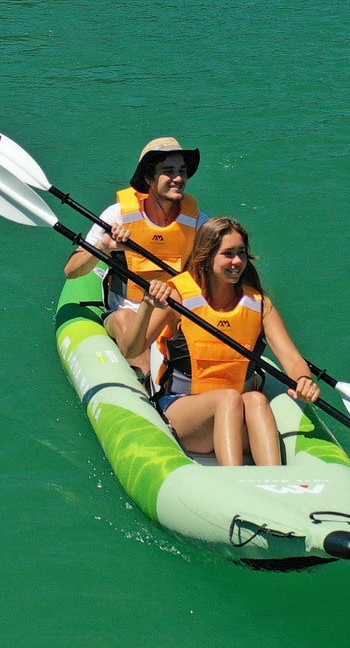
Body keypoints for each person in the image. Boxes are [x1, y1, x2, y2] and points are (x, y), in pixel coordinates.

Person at [121, 216, 322, 467]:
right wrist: (147, 306)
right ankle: (233, 476)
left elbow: (292, 359)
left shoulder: (259, 304)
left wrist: (303, 379)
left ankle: (275, 476)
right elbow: (130, 349)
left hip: (237, 415)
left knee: (256, 399)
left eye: (241, 253)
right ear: (206, 257)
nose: (237, 261)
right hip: (186, 413)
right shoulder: (178, 296)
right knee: (228, 398)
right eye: (228, 254)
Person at [62, 138, 203, 372]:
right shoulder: (117, 215)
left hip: (171, 310)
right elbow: (72, 271)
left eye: (182, 171)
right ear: (149, 178)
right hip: (127, 310)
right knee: (125, 318)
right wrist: (105, 246)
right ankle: (148, 384)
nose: (178, 178)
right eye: (169, 171)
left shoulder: (199, 223)